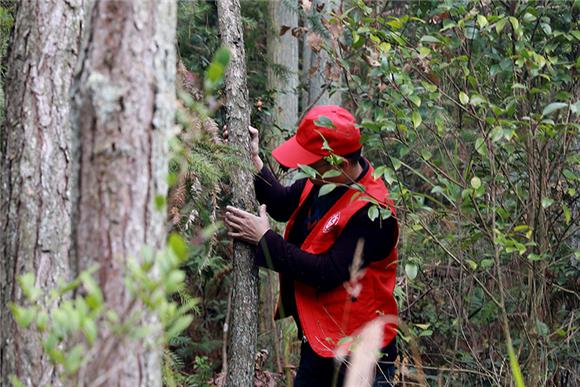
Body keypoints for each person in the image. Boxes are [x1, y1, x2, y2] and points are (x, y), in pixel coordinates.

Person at [224, 105, 399, 386]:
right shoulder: (322, 179)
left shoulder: (374, 213)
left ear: (338, 163)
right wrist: (254, 160)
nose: (305, 170)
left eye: (312, 164)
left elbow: (326, 272)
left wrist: (265, 240)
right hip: (320, 341)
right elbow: (282, 205)